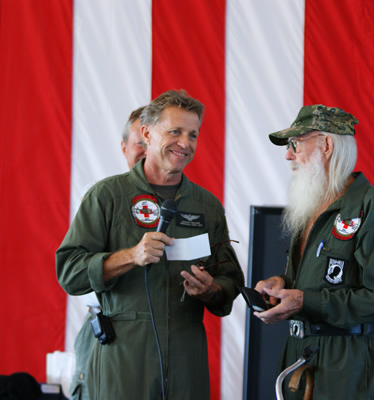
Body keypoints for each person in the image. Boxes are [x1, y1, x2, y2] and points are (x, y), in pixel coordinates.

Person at [56, 90, 244, 399]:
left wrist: (211, 289)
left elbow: (231, 280)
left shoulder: (206, 206)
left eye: (192, 135)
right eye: (175, 131)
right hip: (124, 355)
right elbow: (69, 272)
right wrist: (130, 256)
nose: (185, 143)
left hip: (186, 357)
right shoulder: (106, 196)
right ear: (146, 134)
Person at [254, 105, 374, 400]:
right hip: (298, 353)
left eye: (295, 144)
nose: (288, 155)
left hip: (344, 361)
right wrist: (282, 285)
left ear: (326, 145)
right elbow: (317, 280)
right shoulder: (311, 204)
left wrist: (305, 301)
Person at [69, 104, 147, 400]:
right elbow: (75, 270)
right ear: (124, 148)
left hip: (161, 335)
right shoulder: (100, 197)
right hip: (107, 329)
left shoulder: (190, 204)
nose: (147, 151)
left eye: (154, 142)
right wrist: (133, 255)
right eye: (140, 142)